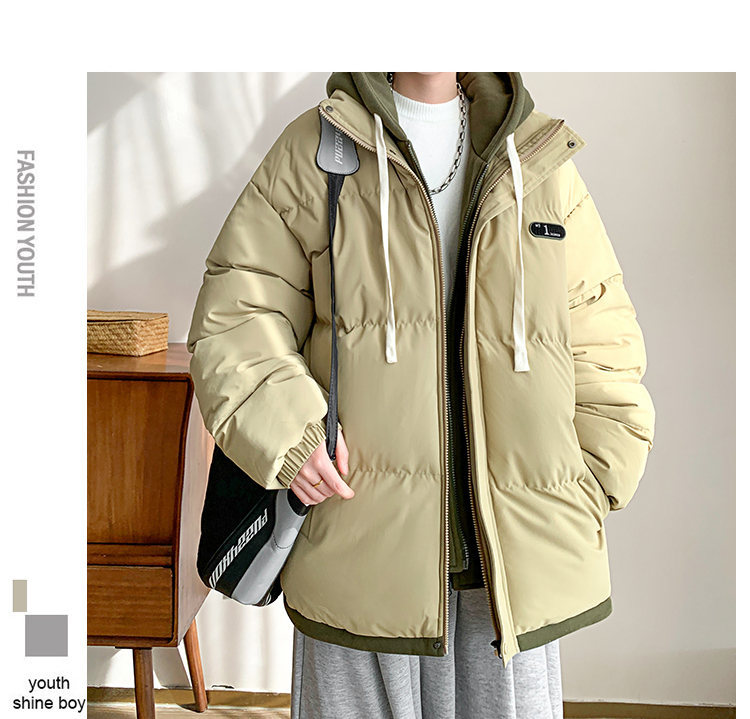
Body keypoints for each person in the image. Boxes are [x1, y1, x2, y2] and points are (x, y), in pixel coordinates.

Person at [187, 72, 656, 719]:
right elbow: (238, 313)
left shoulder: (537, 155)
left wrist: (592, 476)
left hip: (512, 566)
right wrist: (291, 434)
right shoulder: (319, 149)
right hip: (358, 540)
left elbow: (600, 332)